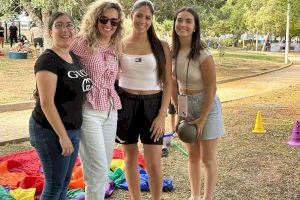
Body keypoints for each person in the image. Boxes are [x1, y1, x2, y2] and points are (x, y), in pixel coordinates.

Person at [29, 11, 92, 200]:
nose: (65, 30)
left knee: (64, 183)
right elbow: (46, 103)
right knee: (54, 185)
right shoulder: (47, 60)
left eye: (69, 25)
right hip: (50, 131)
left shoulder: (72, 56)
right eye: (59, 25)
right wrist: (63, 136)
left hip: (72, 129)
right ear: (50, 31)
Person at [116, 0, 172, 199]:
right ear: (131, 16)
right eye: (139, 15)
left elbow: (168, 82)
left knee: (154, 162)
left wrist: (162, 114)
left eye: (148, 17)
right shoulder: (119, 43)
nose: (143, 20)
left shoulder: (161, 46)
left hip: (153, 105)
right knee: (130, 158)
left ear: (152, 20)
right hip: (125, 105)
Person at [70, 1, 124, 199]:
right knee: (97, 169)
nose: (109, 25)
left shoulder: (114, 44)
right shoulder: (80, 42)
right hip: (89, 109)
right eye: (104, 19)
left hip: (111, 110)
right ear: (95, 19)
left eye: (114, 21)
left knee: (102, 167)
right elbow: (60, 63)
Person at [171, 8, 225, 200]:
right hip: (186, 106)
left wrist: (202, 119)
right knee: (192, 156)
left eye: (188, 21)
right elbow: (172, 84)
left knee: (207, 158)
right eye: (179, 20)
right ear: (174, 24)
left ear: (195, 27)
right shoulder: (173, 53)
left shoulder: (203, 54)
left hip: (206, 107)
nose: (183, 25)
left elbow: (212, 88)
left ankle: (207, 198)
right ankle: (194, 196)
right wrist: (179, 112)